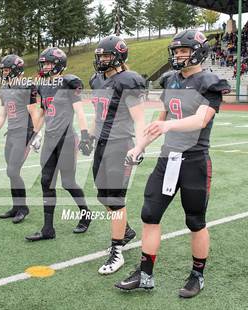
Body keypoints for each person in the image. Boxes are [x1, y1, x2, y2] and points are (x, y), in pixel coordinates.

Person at [115, 30, 230, 298]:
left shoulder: (210, 83)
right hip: (168, 159)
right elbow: (159, 120)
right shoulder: (171, 80)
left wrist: (167, 125)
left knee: (195, 221)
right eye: (176, 50)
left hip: (195, 161)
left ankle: (197, 275)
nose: (179, 55)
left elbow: (201, 120)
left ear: (199, 51)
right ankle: (145, 275)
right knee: (149, 215)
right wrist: (139, 146)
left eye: (184, 50)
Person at [89, 36, 147, 274]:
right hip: (102, 144)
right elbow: (97, 115)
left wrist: (140, 146)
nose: (102, 60)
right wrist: (88, 137)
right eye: (100, 56)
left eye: (107, 55)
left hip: (121, 143)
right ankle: (126, 231)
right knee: (103, 196)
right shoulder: (96, 80)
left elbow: (140, 119)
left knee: (115, 198)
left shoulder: (128, 81)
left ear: (120, 56)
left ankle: (117, 252)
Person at [25, 47, 93, 241]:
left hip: (66, 139)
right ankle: (48, 229)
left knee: (68, 182)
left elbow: (80, 112)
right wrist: (35, 134)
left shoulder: (68, 83)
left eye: (49, 63)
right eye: (44, 63)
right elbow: (43, 113)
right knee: (46, 182)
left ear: (59, 65)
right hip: (50, 139)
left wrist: (85, 135)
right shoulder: (43, 85)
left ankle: (85, 214)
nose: (45, 67)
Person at [0, 55, 40, 223]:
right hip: (11, 133)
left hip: (25, 133)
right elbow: (3, 113)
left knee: (13, 171)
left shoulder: (27, 86)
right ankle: (16, 207)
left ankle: (23, 208)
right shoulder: (4, 88)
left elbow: (34, 112)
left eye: (7, 70)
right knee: (11, 172)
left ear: (16, 70)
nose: (4, 73)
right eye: (3, 70)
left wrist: (37, 135)